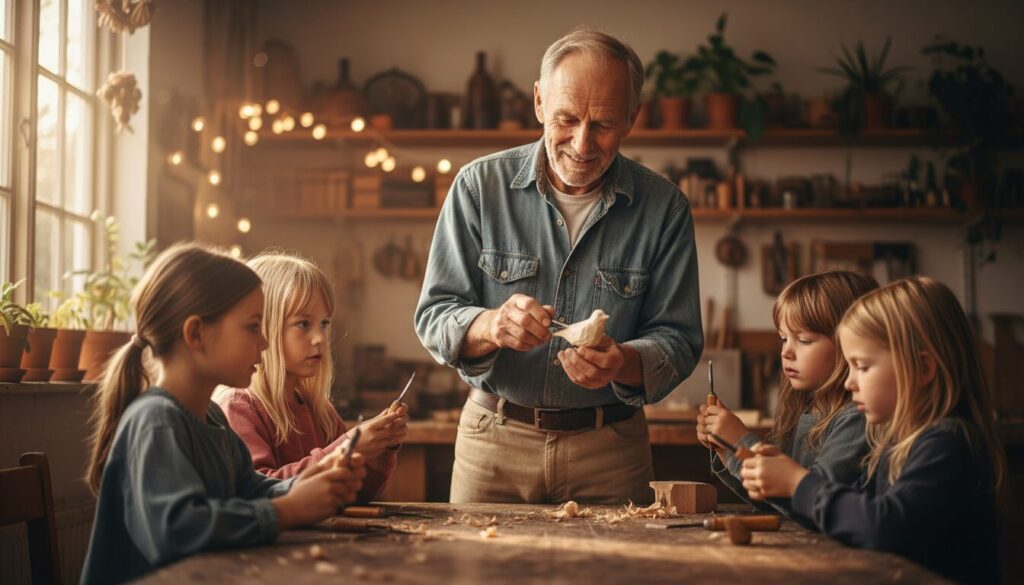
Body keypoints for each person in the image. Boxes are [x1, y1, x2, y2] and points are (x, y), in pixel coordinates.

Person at [414, 28, 702, 504]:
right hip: (494, 441)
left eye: (604, 124)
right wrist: (490, 325)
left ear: (632, 118)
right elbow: (434, 314)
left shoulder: (664, 207)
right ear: (539, 104)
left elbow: (680, 338)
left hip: (611, 450)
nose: (582, 144)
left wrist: (623, 363)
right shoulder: (478, 187)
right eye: (566, 119)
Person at [80, 243, 365, 584]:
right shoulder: (156, 421)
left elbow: (251, 488)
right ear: (196, 334)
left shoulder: (212, 417)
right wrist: (288, 510)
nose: (263, 343)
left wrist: (309, 485)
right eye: (252, 327)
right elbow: (178, 531)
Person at [740, 277, 1005, 585]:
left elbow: (882, 526)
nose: (850, 382)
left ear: (922, 369)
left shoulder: (947, 444)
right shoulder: (896, 443)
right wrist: (782, 482)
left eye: (862, 367)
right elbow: (853, 512)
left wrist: (798, 483)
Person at [215, 251, 406, 502]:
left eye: (324, 324)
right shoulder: (238, 406)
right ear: (264, 328)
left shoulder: (319, 409)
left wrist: (380, 448)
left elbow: (355, 493)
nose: (320, 338)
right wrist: (345, 449)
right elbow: (261, 492)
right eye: (303, 324)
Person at [697, 271, 875, 523]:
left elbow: (810, 502)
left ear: (851, 344)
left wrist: (740, 444)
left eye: (803, 340)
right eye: (783, 339)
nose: (786, 352)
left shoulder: (857, 418)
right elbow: (776, 501)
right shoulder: (807, 410)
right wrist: (727, 450)